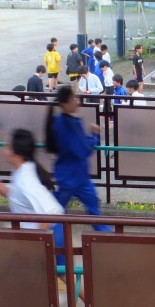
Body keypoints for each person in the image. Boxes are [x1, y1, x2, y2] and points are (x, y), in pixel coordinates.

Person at [0, 129, 67, 277]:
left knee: (57, 275)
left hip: (49, 233)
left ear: (17, 155)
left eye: (7, 147)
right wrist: (5, 191)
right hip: (46, 233)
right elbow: (24, 200)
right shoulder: (23, 169)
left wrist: (37, 245)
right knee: (60, 276)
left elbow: (49, 214)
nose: (3, 150)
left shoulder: (26, 181)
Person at [45, 86, 111, 232]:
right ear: (64, 103)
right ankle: (107, 237)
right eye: (73, 98)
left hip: (70, 176)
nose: (77, 101)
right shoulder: (69, 124)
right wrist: (95, 135)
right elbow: (83, 150)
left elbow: (79, 145)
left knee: (57, 211)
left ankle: (52, 236)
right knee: (90, 209)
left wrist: (92, 137)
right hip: (75, 177)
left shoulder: (60, 122)